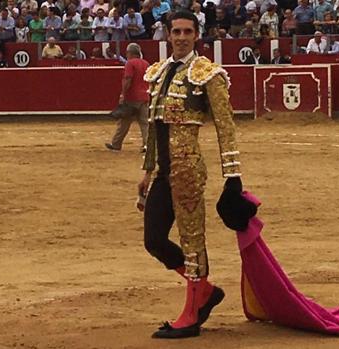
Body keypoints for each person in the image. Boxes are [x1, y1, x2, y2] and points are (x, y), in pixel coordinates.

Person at [139, 10, 255, 339]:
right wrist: (147, 170)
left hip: (188, 170)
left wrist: (233, 177)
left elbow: (226, 128)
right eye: (176, 31)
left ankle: (191, 314)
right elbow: (153, 127)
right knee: (153, 240)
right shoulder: (159, 73)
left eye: (187, 31)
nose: (181, 36)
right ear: (167, 33)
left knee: (192, 242)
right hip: (164, 170)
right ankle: (204, 291)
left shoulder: (207, 74)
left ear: (196, 35)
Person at [105, 43, 150, 152]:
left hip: (132, 97)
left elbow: (128, 79)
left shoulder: (130, 63)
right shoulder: (146, 63)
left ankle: (116, 144)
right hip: (145, 96)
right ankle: (147, 145)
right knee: (145, 123)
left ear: (129, 53)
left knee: (124, 122)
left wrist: (123, 94)